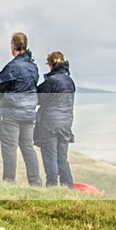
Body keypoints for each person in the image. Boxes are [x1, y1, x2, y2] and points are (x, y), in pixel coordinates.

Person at [0, 32, 42, 185]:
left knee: (9, 148)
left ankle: (9, 181)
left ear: (13, 46)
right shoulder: (33, 67)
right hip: (29, 113)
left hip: (12, 113)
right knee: (27, 147)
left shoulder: (13, 66)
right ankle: (35, 181)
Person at [34, 51, 75, 188]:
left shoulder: (51, 81)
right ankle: (68, 187)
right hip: (66, 122)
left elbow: (37, 98)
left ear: (50, 65)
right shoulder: (70, 81)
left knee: (49, 155)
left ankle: (51, 186)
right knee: (62, 158)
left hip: (50, 122)